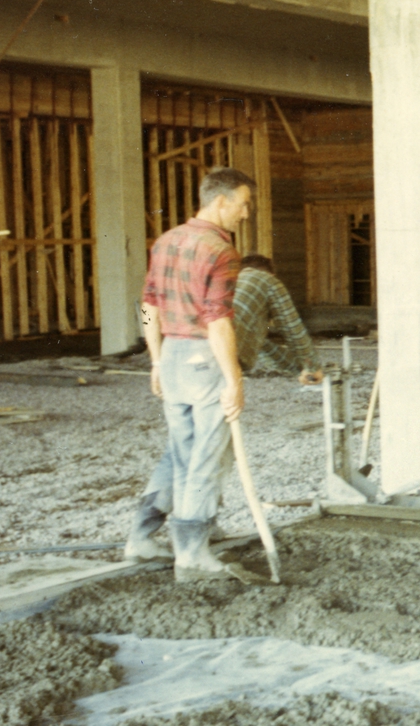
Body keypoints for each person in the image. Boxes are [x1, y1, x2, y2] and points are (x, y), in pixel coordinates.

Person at [124, 167, 254, 581]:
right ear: (221, 201)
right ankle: (193, 553)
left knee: (180, 452)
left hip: (173, 356)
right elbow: (217, 320)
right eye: (244, 203)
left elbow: (147, 304)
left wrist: (157, 359)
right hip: (203, 356)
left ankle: (142, 538)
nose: (246, 213)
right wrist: (233, 378)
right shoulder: (219, 250)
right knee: (207, 456)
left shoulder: (166, 241)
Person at [235, 254, 323, 386]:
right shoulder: (268, 281)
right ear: (272, 274)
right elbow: (293, 329)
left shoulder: (229, 284)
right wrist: (312, 368)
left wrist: (299, 368)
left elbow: (262, 346)